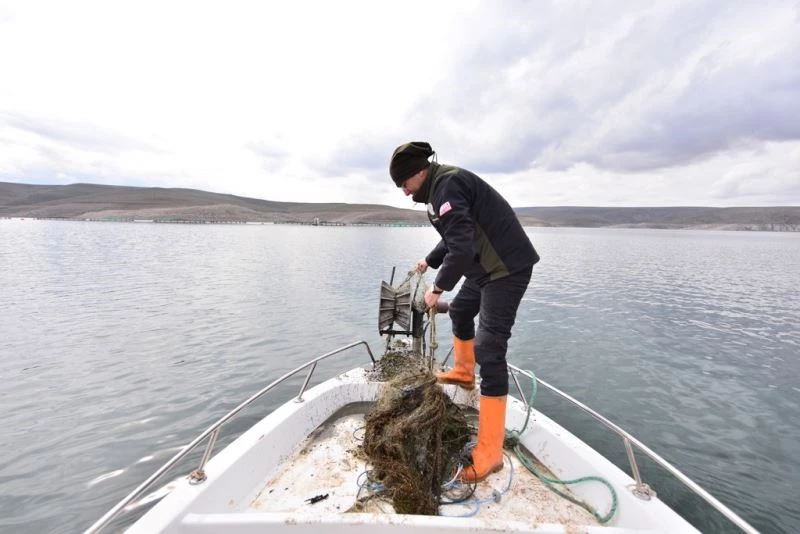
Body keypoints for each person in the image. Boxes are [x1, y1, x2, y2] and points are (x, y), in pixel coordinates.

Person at [389, 141, 540, 483]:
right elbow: (454, 236)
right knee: (460, 312)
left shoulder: (447, 185)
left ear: (418, 173)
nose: (403, 191)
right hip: (484, 270)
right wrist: (430, 259)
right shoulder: (440, 187)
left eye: (404, 184)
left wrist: (437, 288)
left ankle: (489, 452)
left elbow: (461, 247)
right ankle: (463, 372)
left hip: (506, 269)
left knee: (490, 347)